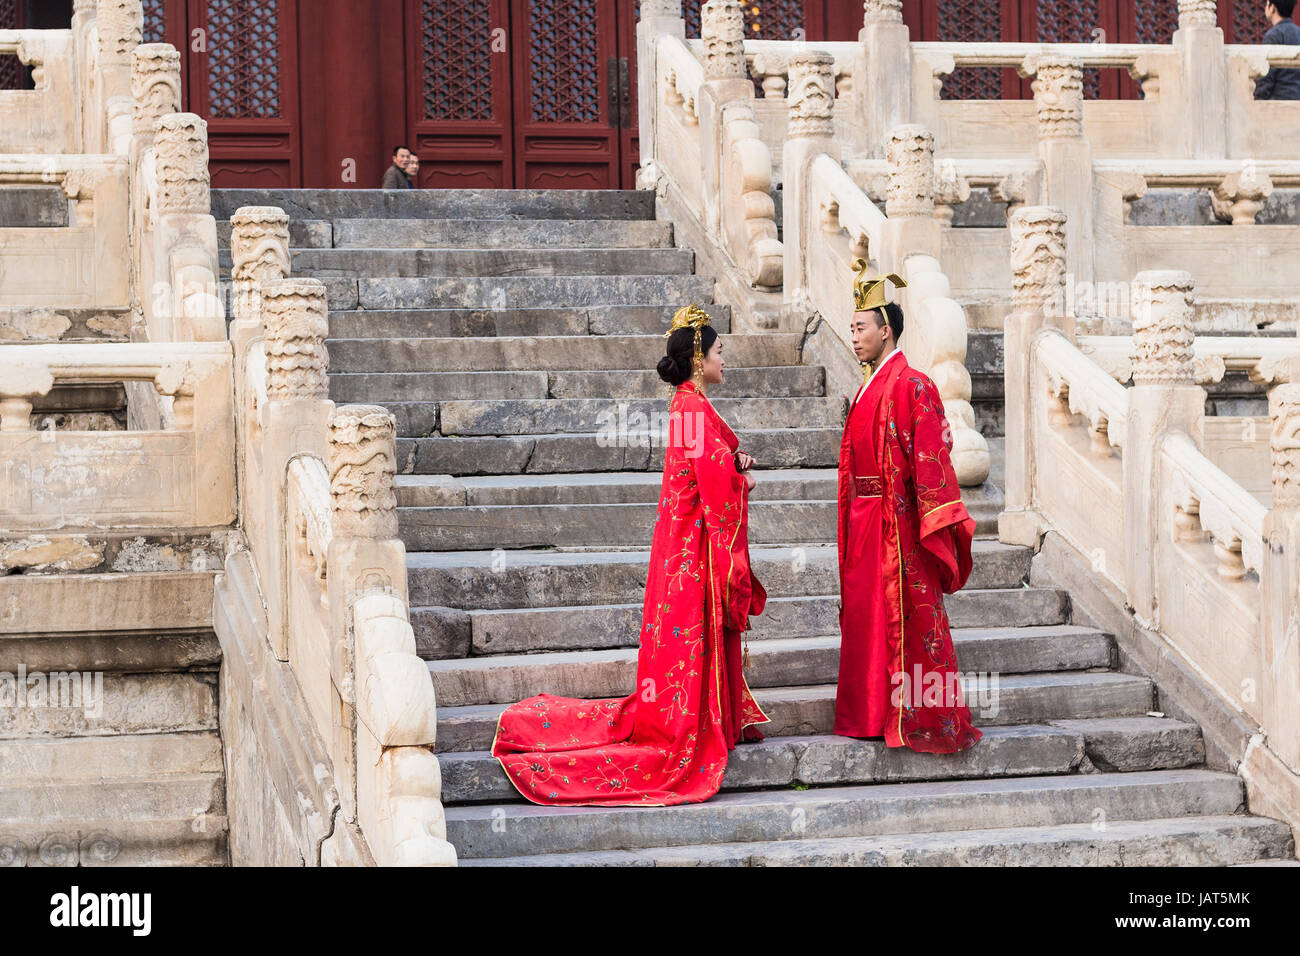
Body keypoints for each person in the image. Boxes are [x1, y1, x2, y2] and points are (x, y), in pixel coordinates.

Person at [492, 304, 769, 806]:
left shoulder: (685, 406)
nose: (725, 359)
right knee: (687, 654)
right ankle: (690, 728)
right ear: (699, 358)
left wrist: (732, 461)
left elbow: (703, 468)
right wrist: (741, 477)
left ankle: (707, 718)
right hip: (692, 552)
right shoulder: (692, 408)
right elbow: (712, 485)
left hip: (679, 545)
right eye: (720, 351)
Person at [834, 260, 982, 753]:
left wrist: (934, 520)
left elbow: (932, 459)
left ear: (885, 329)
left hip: (897, 525)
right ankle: (870, 713)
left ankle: (916, 715)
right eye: (852, 328)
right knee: (865, 621)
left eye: (861, 328)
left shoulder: (914, 384)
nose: (854, 336)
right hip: (864, 522)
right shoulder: (867, 386)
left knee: (902, 622)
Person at [1255, 1, 1300, 100]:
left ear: (1272, 8)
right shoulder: (1298, 32)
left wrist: (1259, 100)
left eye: (1267, 4)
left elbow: (1266, 76)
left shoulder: (1273, 35)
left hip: (1279, 101)